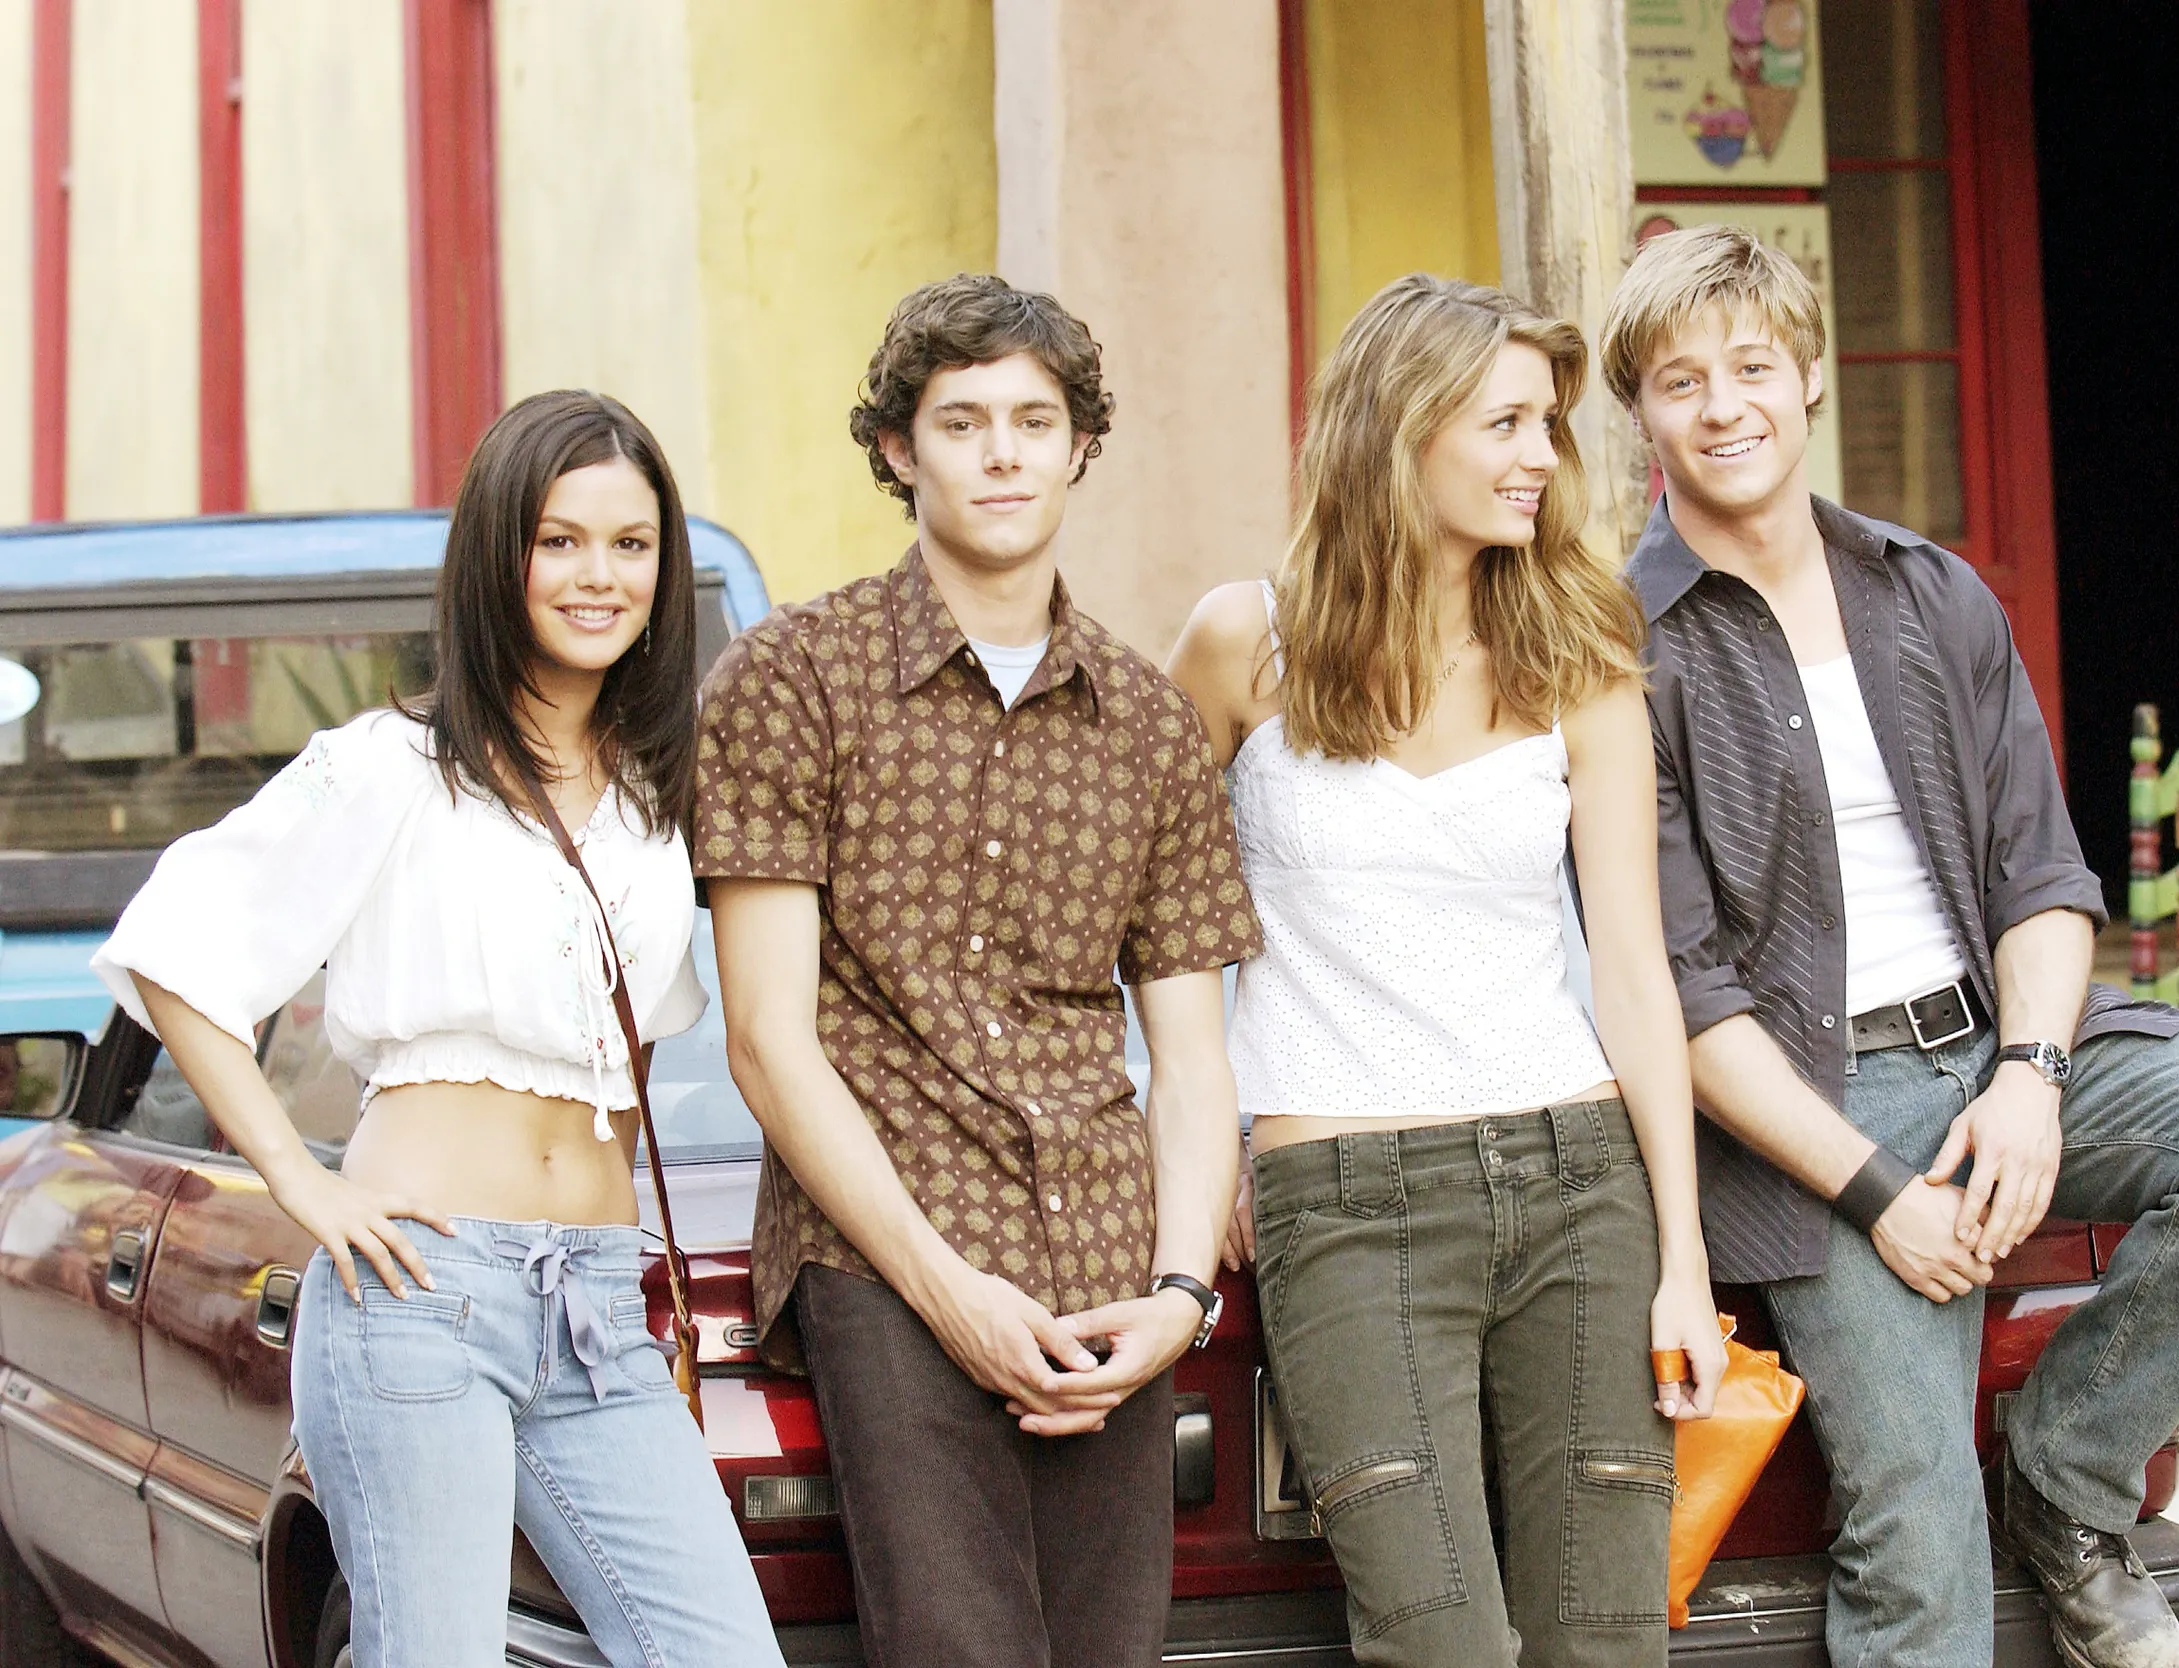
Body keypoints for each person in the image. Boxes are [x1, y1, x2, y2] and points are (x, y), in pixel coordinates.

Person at [1604, 222, 2179, 1668]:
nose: (1724, 406)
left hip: (1998, 1036)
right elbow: (1680, 998)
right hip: (1814, 1107)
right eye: (1681, 381)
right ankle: (1987, 1524)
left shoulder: (1928, 593)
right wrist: (1881, 1193)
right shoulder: (1624, 648)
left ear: (1810, 378)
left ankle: (2067, 1482)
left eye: (1753, 367)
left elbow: (2043, 878)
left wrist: (2030, 1077)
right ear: (1641, 412)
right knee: (1918, 1537)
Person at [91, 391, 785, 1667]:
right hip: (425, 1291)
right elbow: (176, 946)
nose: (599, 575)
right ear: (498, 556)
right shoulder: (392, 768)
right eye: (559, 541)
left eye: (630, 545)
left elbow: (627, 1055)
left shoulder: (654, 796)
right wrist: (298, 1178)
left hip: (599, 1303)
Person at [696, 273, 1259, 1668]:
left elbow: (1191, 1059)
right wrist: (950, 1295)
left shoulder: (1148, 722)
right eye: (961, 423)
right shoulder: (794, 679)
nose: (1001, 455)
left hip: (1110, 1269)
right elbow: (766, 1039)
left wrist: (1178, 1296)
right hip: (890, 1255)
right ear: (900, 449)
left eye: (1033, 421)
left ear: (1080, 447)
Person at [1168, 274, 1724, 1668]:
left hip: (1576, 1181)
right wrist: (1194, 1138)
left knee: (1606, 1642)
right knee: (1440, 1644)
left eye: (1548, 425)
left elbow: (1633, 972)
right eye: (1506, 423)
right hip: (1341, 1203)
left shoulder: (1578, 650)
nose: (1541, 456)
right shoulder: (1242, 644)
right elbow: (1148, 917)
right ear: (1400, 426)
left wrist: (1681, 1258)